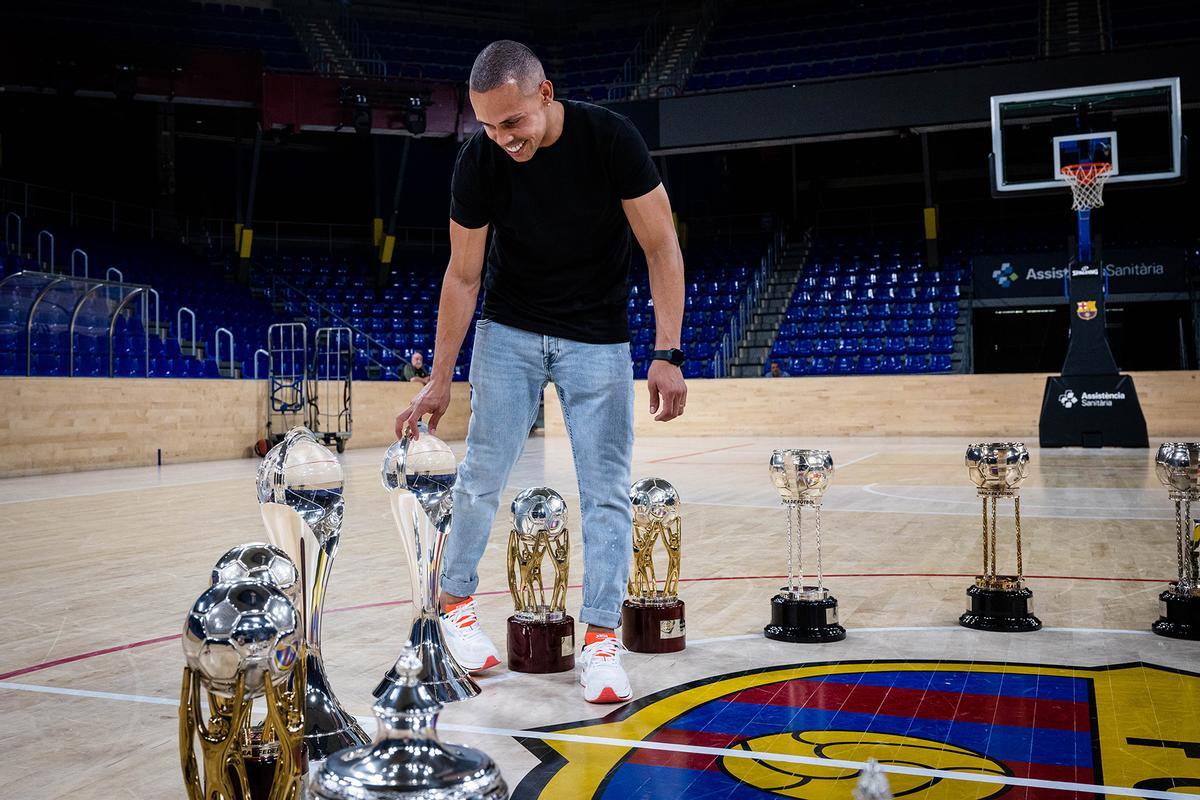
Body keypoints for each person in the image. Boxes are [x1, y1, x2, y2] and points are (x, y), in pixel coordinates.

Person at [395, 40, 687, 704]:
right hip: (510, 329)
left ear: (545, 95)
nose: (502, 138)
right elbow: (463, 275)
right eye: (489, 126)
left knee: (608, 492)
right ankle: (455, 612)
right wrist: (439, 379)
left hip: (598, 337)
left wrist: (667, 352)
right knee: (479, 478)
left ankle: (602, 642)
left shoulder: (610, 139)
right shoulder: (479, 161)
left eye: (513, 123)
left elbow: (661, 244)